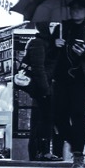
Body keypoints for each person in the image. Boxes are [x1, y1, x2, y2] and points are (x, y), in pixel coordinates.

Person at [51, 4, 85, 167]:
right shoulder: (59, 29)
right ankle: (75, 143)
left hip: (84, 80)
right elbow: (49, 56)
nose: (75, 11)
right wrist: (54, 44)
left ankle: (78, 154)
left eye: (79, 8)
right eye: (73, 8)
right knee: (58, 115)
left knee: (78, 114)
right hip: (61, 79)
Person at [22, 23, 57, 160]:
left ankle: (42, 151)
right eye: (51, 25)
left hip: (46, 88)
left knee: (45, 120)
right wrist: (45, 90)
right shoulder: (38, 43)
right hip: (42, 89)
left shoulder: (49, 43)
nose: (54, 28)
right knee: (41, 121)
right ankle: (40, 152)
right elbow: (38, 69)